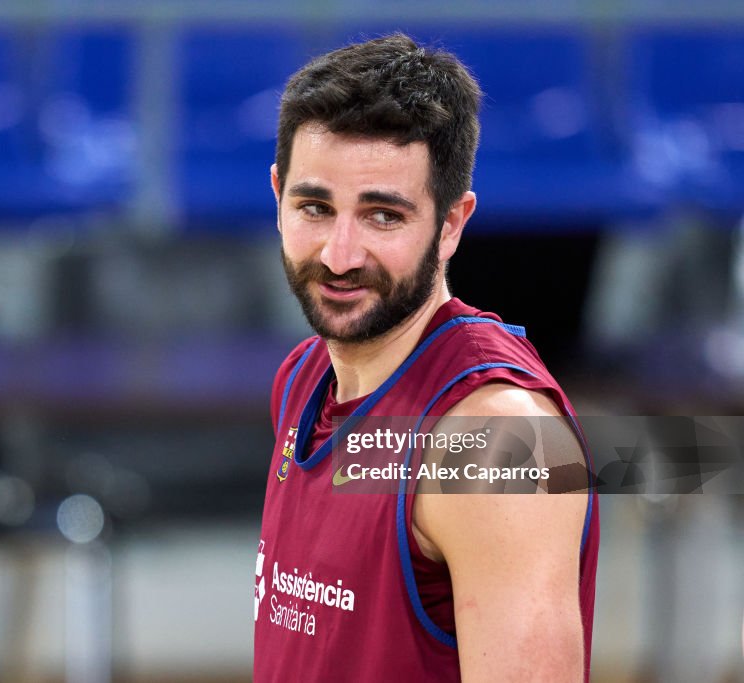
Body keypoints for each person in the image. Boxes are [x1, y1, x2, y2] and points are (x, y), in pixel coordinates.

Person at [253, 34, 599, 682]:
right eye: (314, 207)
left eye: (383, 215)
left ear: (451, 224)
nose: (339, 253)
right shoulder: (301, 379)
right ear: (277, 196)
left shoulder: (500, 438)